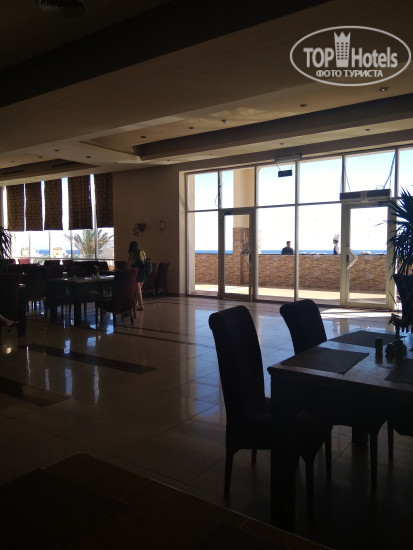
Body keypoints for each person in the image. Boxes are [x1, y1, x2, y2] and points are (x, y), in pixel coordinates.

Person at [125, 240, 146, 311]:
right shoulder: (142, 252)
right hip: (143, 273)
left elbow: (128, 265)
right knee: (138, 290)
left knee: (138, 290)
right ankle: (135, 304)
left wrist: (124, 269)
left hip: (136, 273)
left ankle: (141, 305)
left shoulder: (132, 253)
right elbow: (144, 261)